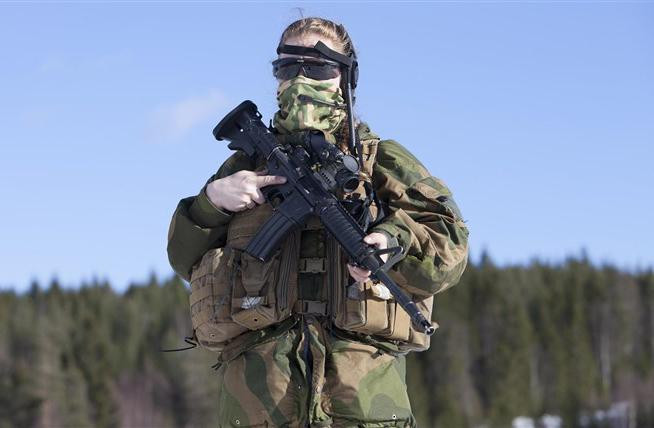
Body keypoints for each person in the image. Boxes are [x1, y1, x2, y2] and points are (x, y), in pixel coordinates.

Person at [167, 17, 469, 428]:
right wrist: (212, 203)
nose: (300, 79)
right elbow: (182, 258)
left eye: (318, 67)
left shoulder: (380, 160)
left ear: (345, 78)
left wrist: (392, 239)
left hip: (362, 402)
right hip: (259, 403)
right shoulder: (244, 165)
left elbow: (449, 243)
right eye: (288, 67)